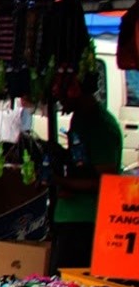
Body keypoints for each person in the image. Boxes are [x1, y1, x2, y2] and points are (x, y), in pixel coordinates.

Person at [53, 87, 123, 269]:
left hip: (85, 221)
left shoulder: (101, 127)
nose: (57, 96)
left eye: (61, 90)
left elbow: (105, 181)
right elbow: (81, 163)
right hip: (70, 217)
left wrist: (61, 181)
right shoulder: (79, 118)